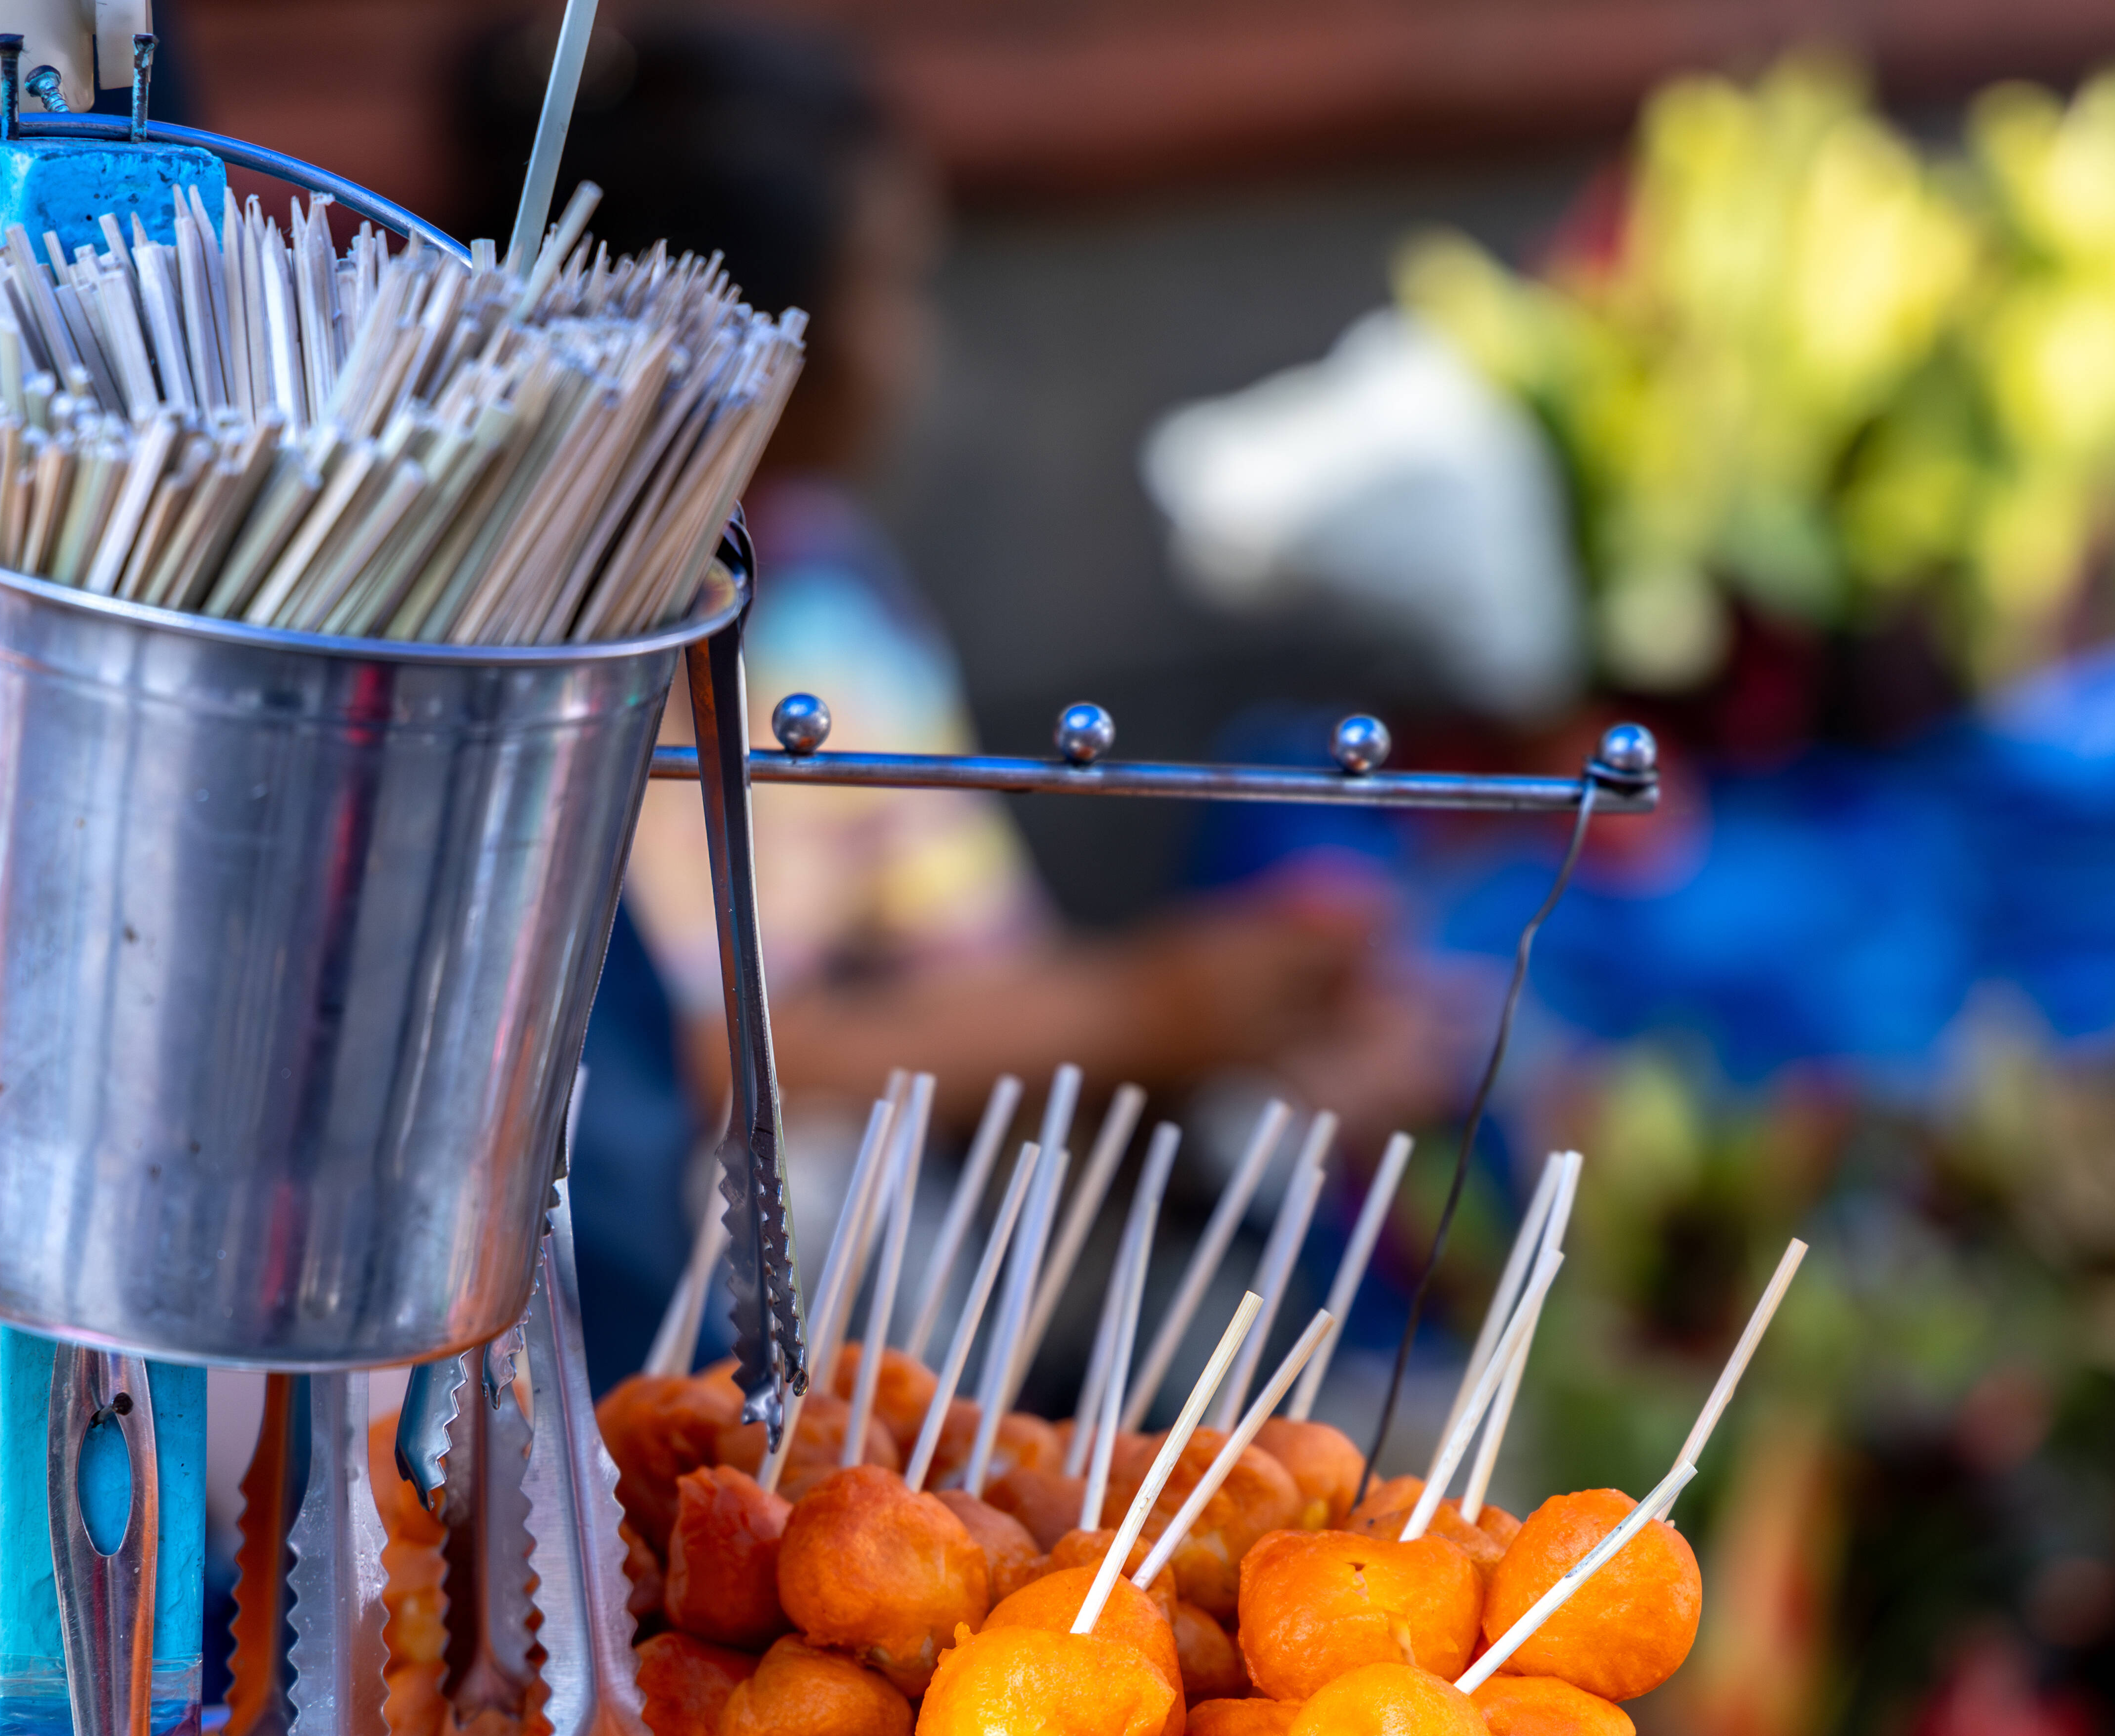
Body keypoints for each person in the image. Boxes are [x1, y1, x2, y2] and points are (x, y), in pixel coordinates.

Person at [453, 18, 1442, 1131]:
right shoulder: (501, 636)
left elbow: (976, 967)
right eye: (890, 284)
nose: (917, 346)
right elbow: (629, 1075)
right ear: (744, 333)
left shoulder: (824, 586)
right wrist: (1137, 1016)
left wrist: (1217, 1027)